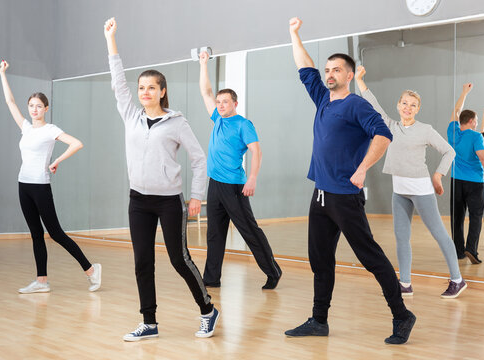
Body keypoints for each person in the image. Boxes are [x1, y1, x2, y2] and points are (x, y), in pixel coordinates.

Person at [284, 17, 415, 345]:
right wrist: (293, 33)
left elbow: (384, 136)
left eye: (337, 70)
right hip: (321, 195)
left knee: (370, 256)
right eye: (327, 70)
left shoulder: (356, 104)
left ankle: (402, 315)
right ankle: (319, 320)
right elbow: (305, 65)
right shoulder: (322, 97)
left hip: (345, 196)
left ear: (350, 75)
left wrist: (362, 169)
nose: (329, 74)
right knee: (320, 260)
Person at [103, 17, 219, 341]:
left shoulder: (176, 123)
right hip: (138, 200)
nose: (144, 92)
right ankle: (149, 323)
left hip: (169, 201)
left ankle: (208, 309)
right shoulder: (131, 115)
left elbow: (199, 158)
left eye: (151, 87)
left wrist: (196, 196)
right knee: (142, 263)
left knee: (179, 260)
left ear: (162, 91)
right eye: (141, 88)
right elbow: (117, 82)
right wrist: (111, 39)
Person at [355, 66, 466, 298]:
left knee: (439, 234)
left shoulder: (425, 130)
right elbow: (372, 104)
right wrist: (359, 80)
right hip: (400, 190)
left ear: (418, 109)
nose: (408, 108)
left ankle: (457, 279)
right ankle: (405, 283)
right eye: (404, 103)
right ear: (398, 105)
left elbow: (449, 152)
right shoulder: (390, 126)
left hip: (421, 189)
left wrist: (437, 175)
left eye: (413, 105)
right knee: (401, 237)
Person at [0, 60, 101, 294]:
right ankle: (41, 281)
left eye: (38, 106)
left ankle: (91, 270)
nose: (34, 109)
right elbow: (9, 101)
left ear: (46, 108)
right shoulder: (25, 127)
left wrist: (56, 161)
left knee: (55, 233)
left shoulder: (51, 130)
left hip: (40, 187)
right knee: (36, 234)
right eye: (31, 106)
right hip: (23, 185)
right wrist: (3, 73)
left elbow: (77, 143)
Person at [198, 51, 282, 290]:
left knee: (249, 231)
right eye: (219, 101)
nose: (220, 105)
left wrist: (252, 178)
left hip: (234, 186)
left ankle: (273, 271)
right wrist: (204, 64)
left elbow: (257, 152)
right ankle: (211, 279)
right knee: (214, 234)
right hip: (214, 184)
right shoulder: (218, 119)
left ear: (235, 103)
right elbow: (205, 91)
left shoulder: (244, 124)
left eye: (225, 101)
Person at [448, 83, 484, 265]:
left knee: (457, 217)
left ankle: (458, 251)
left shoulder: (452, 131)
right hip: (474, 183)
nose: (477, 123)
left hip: (456, 181)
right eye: (476, 120)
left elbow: (457, 109)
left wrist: (464, 93)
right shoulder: (476, 136)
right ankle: (471, 249)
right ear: (470, 121)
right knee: (476, 216)